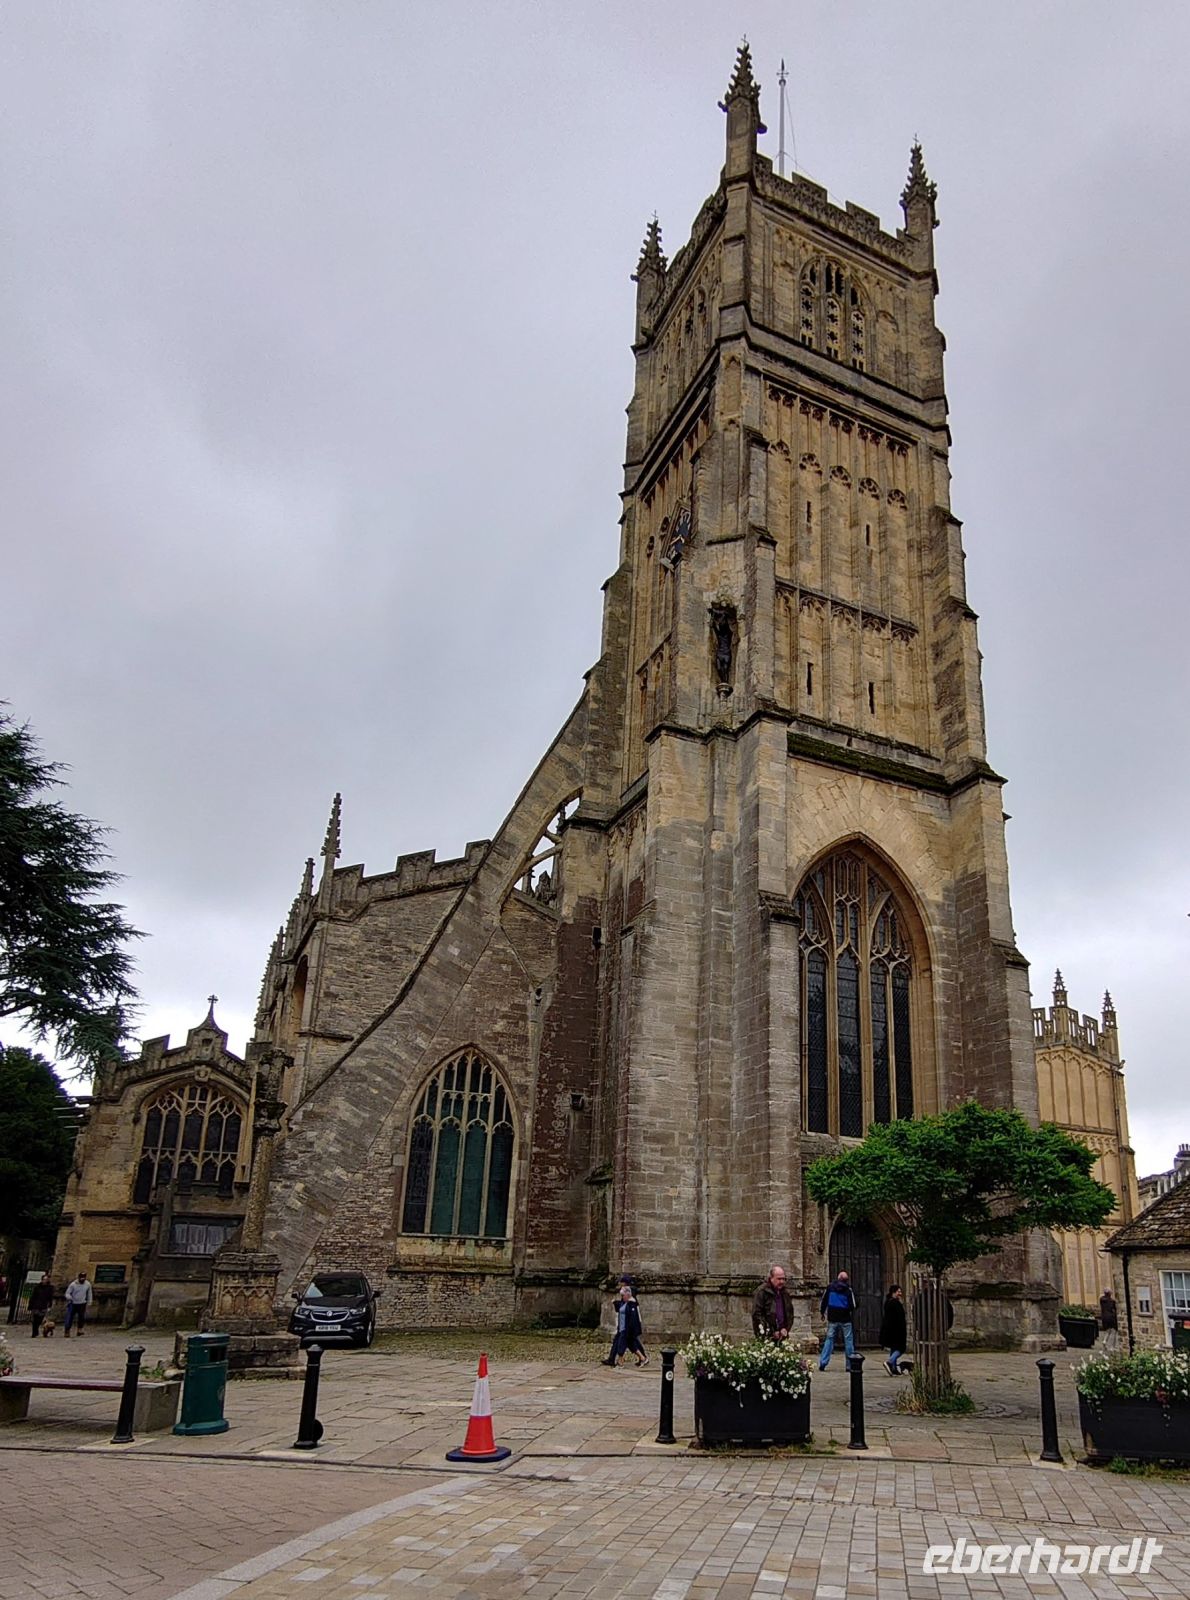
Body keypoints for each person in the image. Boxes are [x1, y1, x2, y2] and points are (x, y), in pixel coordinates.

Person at [601, 1280, 647, 1367]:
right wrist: (616, 1303)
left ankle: (621, 1361)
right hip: (622, 1328)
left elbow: (632, 1318)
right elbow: (621, 1310)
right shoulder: (624, 1302)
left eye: (623, 1295)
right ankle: (642, 1358)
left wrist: (630, 1329)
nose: (622, 1297)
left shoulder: (631, 1303)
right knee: (630, 1344)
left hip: (627, 1329)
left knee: (626, 1344)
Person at [818, 1269, 857, 1369]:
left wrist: (822, 1312)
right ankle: (849, 1365)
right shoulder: (848, 1290)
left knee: (829, 1340)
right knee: (848, 1341)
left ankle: (823, 1362)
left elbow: (824, 1300)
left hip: (833, 1318)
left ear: (838, 1278)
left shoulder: (830, 1287)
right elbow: (853, 1305)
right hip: (845, 1319)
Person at [751, 1264, 794, 1342]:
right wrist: (771, 1332)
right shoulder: (762, 1292)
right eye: (779, 1279)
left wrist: (786, 1328)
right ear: (771, 1278)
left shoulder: (785, 1293)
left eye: (783, 1279)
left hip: (782, 1336)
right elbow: (757, 1315)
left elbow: (789, 1313)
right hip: (767, 1337)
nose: (782, 1281)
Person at [879, 1284, 907, 1375]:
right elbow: (899, 1318)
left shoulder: (888, 1302)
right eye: (898, 1292)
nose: (900, 1293)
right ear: (893, 1292)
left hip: (890, 1330)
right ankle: (890, 1362)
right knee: (901, 1349)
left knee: (894, 1348)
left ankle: (894, 1368)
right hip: (897, 1330)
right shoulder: (895, 1303)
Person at [62, 1271, 92, 1337]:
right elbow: (67, 1293)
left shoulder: (87, 1284)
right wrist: (69, 1297)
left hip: (82, 1303)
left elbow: (89, 1293)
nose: (82, 1279)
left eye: (83, 1278)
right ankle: (67, 1330)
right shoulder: (73, 1284)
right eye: (81, 1277)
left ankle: (79, 1329)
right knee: (69, 1317)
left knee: (81, 1317)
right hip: (73, 1303)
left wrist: (89, 1301)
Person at [1100, 1289, 1119, 1354]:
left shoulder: (1102, 1300)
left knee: (1107, 1330)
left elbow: (1101, 1296)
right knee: (1114, 1331)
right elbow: (1115, 1309)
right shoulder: (1112, 1301)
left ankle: (1105, 1340)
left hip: (1104, 1316)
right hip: (1111, 1316)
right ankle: (1112, 1347)